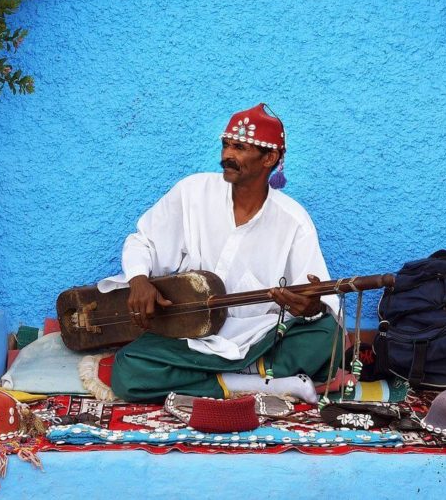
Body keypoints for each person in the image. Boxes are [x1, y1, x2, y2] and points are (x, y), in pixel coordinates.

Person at [98, 103, 341, 403]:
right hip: (191, 338)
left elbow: (321, 303)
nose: (227, 155)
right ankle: (263, 382)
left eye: (240, 147)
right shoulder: (192, 193)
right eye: (226, 145)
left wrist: (311, 308)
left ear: (270, 157)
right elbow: (143, 241)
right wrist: (138, 279)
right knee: (127, 371)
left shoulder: (294, 220)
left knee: (327, 335)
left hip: (259, 338)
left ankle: (234, 378)